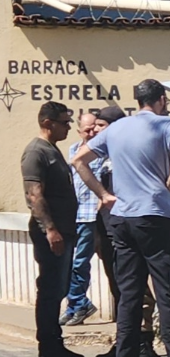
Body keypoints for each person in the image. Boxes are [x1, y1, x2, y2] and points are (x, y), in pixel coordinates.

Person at [72, 80, 170, 357]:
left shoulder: (116, 128)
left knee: (129, 295)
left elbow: (78, 160)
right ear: (162, 100)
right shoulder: (165, 125)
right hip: (157, 216)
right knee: (169, 293)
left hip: (122, 218)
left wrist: (103, 194)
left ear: (138, 100)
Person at [23, 102, 114, 357]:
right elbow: (34, 195)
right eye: (64, 122)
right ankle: (49, 348)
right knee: (51, 289)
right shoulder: (36, 152)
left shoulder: (52, 150)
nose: (68, 127)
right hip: (52, 232)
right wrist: (50, 229)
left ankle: (54, 344)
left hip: (65, 229)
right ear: (48, 123)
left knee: (59, 287)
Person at [89, 106, 167, 357]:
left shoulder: (126, 155)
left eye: (100, 126)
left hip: (132, 229)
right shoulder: (104, 156)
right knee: (123, 293)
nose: (95, 131)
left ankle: (144, 348)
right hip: (111, 231)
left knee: (141, 293)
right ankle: (126, 347)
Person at [60, 113, 103, 327]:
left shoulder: (103, 151)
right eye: (87, 130)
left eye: (95, 127)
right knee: (69, 263)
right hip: (76, 214)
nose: (92, 132)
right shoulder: (73, 150)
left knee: (79, 263)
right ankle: (76, 304)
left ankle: (78, 304)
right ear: (79, 132)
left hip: (92, 215)